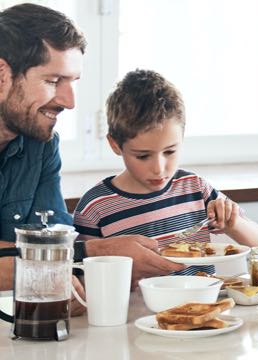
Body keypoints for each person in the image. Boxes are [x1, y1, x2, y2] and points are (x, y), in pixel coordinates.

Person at [0, 4, 183, 296]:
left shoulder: (43, 146)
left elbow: (57, 243)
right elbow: (60, 257)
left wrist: (82, 262)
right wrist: (100, 252)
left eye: (73, 82)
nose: (69, 102)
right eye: (53, 81)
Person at [72, 69, 258, 276]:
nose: (159, 168)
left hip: (203, 305)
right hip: (135, 308)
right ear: (115, 144)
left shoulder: (195, 188)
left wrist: (233, 223)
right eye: (143, 156)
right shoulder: (95, 207)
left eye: (170, 151)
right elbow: (83, 278)